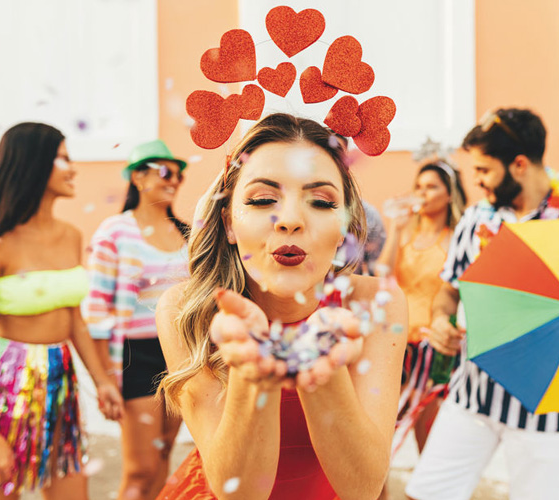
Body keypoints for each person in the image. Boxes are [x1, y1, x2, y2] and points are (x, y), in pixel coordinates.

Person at [154, 113, 408, 500]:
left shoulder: (376, 305)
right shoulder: (185, 310)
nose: (289, 220)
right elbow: (237, 493)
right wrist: (252, 373)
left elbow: (362, 488)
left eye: (321, 202)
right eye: (262, 199)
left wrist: (320, 366)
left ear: (343, 228)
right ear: (228, 224)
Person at [405, 108, 559, 500]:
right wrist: (440, 319)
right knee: (424, 494)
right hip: (472, 396)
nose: (475, 181)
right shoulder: (477, 219)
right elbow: (449, 291)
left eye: (484, 170)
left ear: (520, 164)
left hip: (548, 413)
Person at [0, 122, 124, 499]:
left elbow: (75, 318)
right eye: (62, 157)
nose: (72, 167)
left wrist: (102, 380)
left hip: (60, 383)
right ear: (32, 164)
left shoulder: (71, 235)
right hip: (6, 389)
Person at [84, 139, 190, 500]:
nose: (173, 179)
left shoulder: (188, 235)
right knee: (140, 469)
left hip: (179, 354)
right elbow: (96, 309)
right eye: (164, 171)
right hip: (134, 357)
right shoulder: (114, 232)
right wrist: (104, 380)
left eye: (178, 173)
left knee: (163, 455)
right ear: (138, 178)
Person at [378, 158, 467, 454]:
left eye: (431, 187)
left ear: (449, 194)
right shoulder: (404, 233)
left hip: (432, 345)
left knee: (426, 433)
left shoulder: (455, 240)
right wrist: (395, 228)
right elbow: (383, 275)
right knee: (384, 428)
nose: (423, 193)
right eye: (419, 187)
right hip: (397, 340)